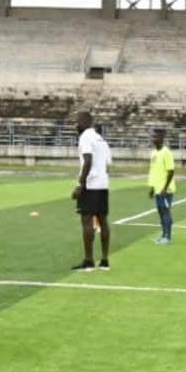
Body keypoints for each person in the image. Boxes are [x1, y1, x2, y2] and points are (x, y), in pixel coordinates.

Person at [71, 111, 112, 272]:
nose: (76, 125)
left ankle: (88, 260)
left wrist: (81, 184)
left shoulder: (85, 137)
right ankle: (104, 260)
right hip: (103, 184)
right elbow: (108, 163)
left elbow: (88, 159)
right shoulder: (101, 139)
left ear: (84, 122)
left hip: (90, 185)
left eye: (78, 122)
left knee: (87, 220)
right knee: (103, 221)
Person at [148, 128, 176, 245]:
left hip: (166, 189)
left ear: (161, 138)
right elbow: (153, 171)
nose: (153, 139)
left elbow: (171, 171)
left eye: (156, 137)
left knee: (165, 211)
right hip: (157, 189)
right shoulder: (154, 153)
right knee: (160, 211)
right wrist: (152, 188)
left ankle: (167, 237)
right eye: (152, 137)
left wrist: (165, 188)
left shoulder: (166, 152)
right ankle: (163, 234)